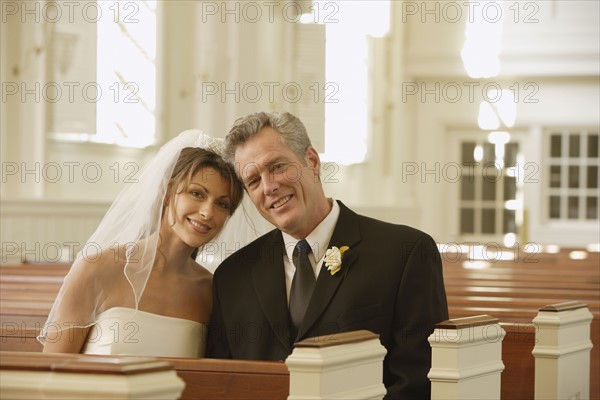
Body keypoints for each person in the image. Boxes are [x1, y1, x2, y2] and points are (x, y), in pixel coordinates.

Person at [207, 112, 449, 399]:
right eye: (254, 180)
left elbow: (416, 383)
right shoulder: (232, 277)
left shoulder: (405, 253)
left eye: (277, 166)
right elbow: (222, 384)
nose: (269, 186)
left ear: (312, 160)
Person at [39, 130, 253, 358]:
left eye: (222, 204)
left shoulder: (210, 292)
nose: (207, 212)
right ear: (167, 192)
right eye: (197, 194)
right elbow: (53, 369)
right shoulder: (97, 269)